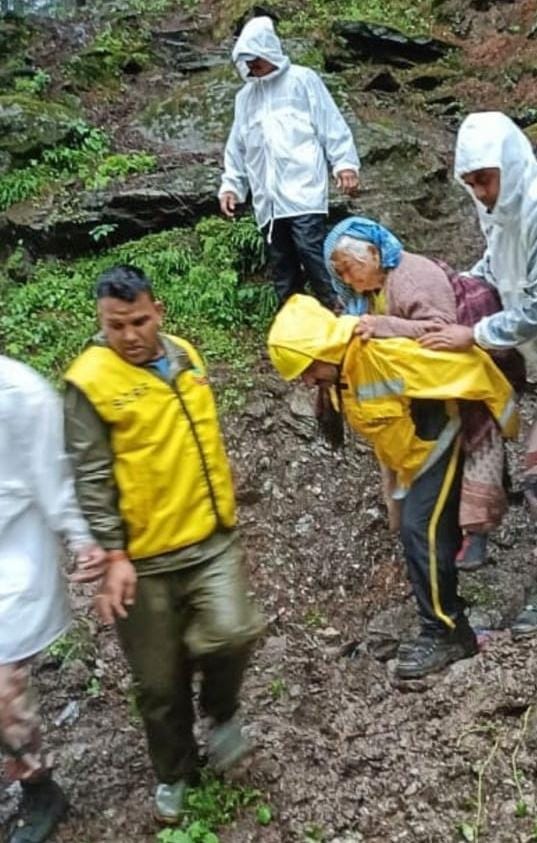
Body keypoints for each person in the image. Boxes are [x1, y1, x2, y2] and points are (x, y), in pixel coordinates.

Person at [63, 265, 264, 824]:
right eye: (115, 325)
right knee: (157, 681)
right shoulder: (88, 382)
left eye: (139, 321)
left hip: (209, 537)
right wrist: (114, 555)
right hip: (142, 560)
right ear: (100, 322)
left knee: (234, 630)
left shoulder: (187, 356)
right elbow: (91, 476)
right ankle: (175, 772)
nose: (128, 336)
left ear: (160, 312)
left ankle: (221, 715)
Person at [267, 294, 518, 679]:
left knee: (423, 533)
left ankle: (445, 632)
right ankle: (452, 621)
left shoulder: (381, 354)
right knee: (424, 532)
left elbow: (468, 366)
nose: (306, 381)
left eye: (308, 370)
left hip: (439, 440)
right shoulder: (343, 370)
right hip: (413, 456)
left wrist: (506, 421)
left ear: (323, 350)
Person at [323, 215, 525, 569]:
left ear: (373, 253)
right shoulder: (367, 293)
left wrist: (384, 326)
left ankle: (478, 532)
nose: (347, 279)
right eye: (339, 273)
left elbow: (440, 329)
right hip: (426, 381)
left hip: (470, 361)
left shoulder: (413, 277)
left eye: (350, 269)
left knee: (479, 431)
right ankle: (427, 525)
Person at [418, 112, 537, 637]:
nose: (479, 192)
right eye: (469, 183)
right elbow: (497, 264)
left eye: (484, 179)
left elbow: (535, 306)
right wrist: (461, 284)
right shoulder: (501, 210)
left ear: (508, 166)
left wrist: (476, 333)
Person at [0, 354, 105, 843]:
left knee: (4, 689)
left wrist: (84, 541)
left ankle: (39, 785)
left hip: (14, 558)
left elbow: (57, 480)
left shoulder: (21, 395)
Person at [218, 14, 360, 309]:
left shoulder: (302, 80)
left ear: (269, 50)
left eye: (256, 56)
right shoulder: (245, 97)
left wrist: (344, 163)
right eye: (247, 59)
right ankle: (296, 331)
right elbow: (238, 146)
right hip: (268, 202)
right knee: (282, 269)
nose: (252, 64)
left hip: (303, 191)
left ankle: (341, 314)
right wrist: (231, 185)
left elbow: (329, 123)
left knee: (313, 254)